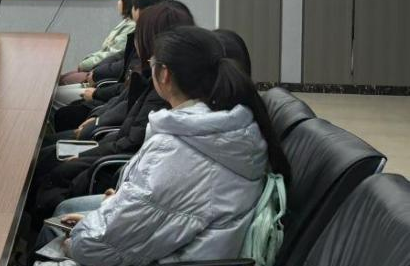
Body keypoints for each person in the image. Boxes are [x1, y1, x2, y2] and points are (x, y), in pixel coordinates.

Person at [44, 26, 290, 265]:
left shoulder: (178, 147)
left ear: (164, 75)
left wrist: (74, 242)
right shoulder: (228, 126)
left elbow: (102, 245)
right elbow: (155, 211)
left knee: (52, 239)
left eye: (152, 63)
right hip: (196, 244)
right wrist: (109, 208)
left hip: (178, 255)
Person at [31, 1, 194, 221]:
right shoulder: (154, 83)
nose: (136, 43)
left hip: (111, 165)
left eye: (139, 36)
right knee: (45, 157)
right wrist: (96, 120)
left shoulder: (163, 97)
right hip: (110, 152)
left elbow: (131, 142)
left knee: (46, 166)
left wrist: (88, 144)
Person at [56, 0, 138, 89]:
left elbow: (113, 53)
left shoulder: (132, 26)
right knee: (60, 79)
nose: (118, 3)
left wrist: (86, 65)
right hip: (100, 68)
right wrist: (86, 63)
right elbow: (105, 51)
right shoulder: (127, 22)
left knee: (60, 82)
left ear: (128, 2)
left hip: (102, 73)